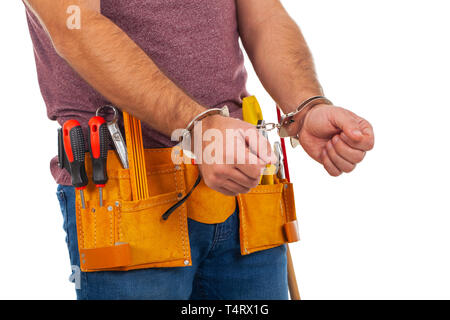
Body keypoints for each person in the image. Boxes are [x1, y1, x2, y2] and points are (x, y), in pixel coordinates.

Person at [23, 0, 374, 300]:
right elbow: (74, 24)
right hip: (124, 198)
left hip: (242, 188)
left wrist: (306, 105)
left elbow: (263, 15)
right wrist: (198, 125)